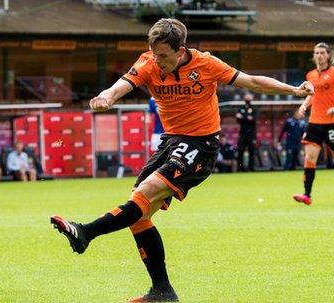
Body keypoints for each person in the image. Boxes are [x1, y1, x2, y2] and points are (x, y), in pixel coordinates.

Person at [49, 18, 313, 303]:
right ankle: (162, 291)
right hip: (170, 143)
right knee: (140, 213)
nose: (158, 61)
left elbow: (252, 82)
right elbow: (122, 84)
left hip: (201, 144)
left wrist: (294, 91)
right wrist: (106, 96)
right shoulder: (149, 62)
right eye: (154, 54)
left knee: (145, 193)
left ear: (181, 50)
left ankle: (86, 232)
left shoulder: (206, 65)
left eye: (163, 56)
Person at [293, 42, 334, 205]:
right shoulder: (310, 75)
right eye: (317, 53)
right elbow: (311, 94)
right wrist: (303, 106)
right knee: (309, 158)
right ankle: (307, 194)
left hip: (332, 123)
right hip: (315, 123)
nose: (319, 55)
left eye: (322, 53)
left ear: (328, 55)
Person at [235, 93, 257, 171]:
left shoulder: (254, 108)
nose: (248, 99)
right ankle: (240, 168)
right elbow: (238, 119)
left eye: (249, 97)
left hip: (251, 134)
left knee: (252, 152)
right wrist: (247, 117)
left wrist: (243, 117)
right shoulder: (241, 108)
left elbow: (253, 120)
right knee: (240, 151)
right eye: (246, 97)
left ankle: (251, 168)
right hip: (242, 134)